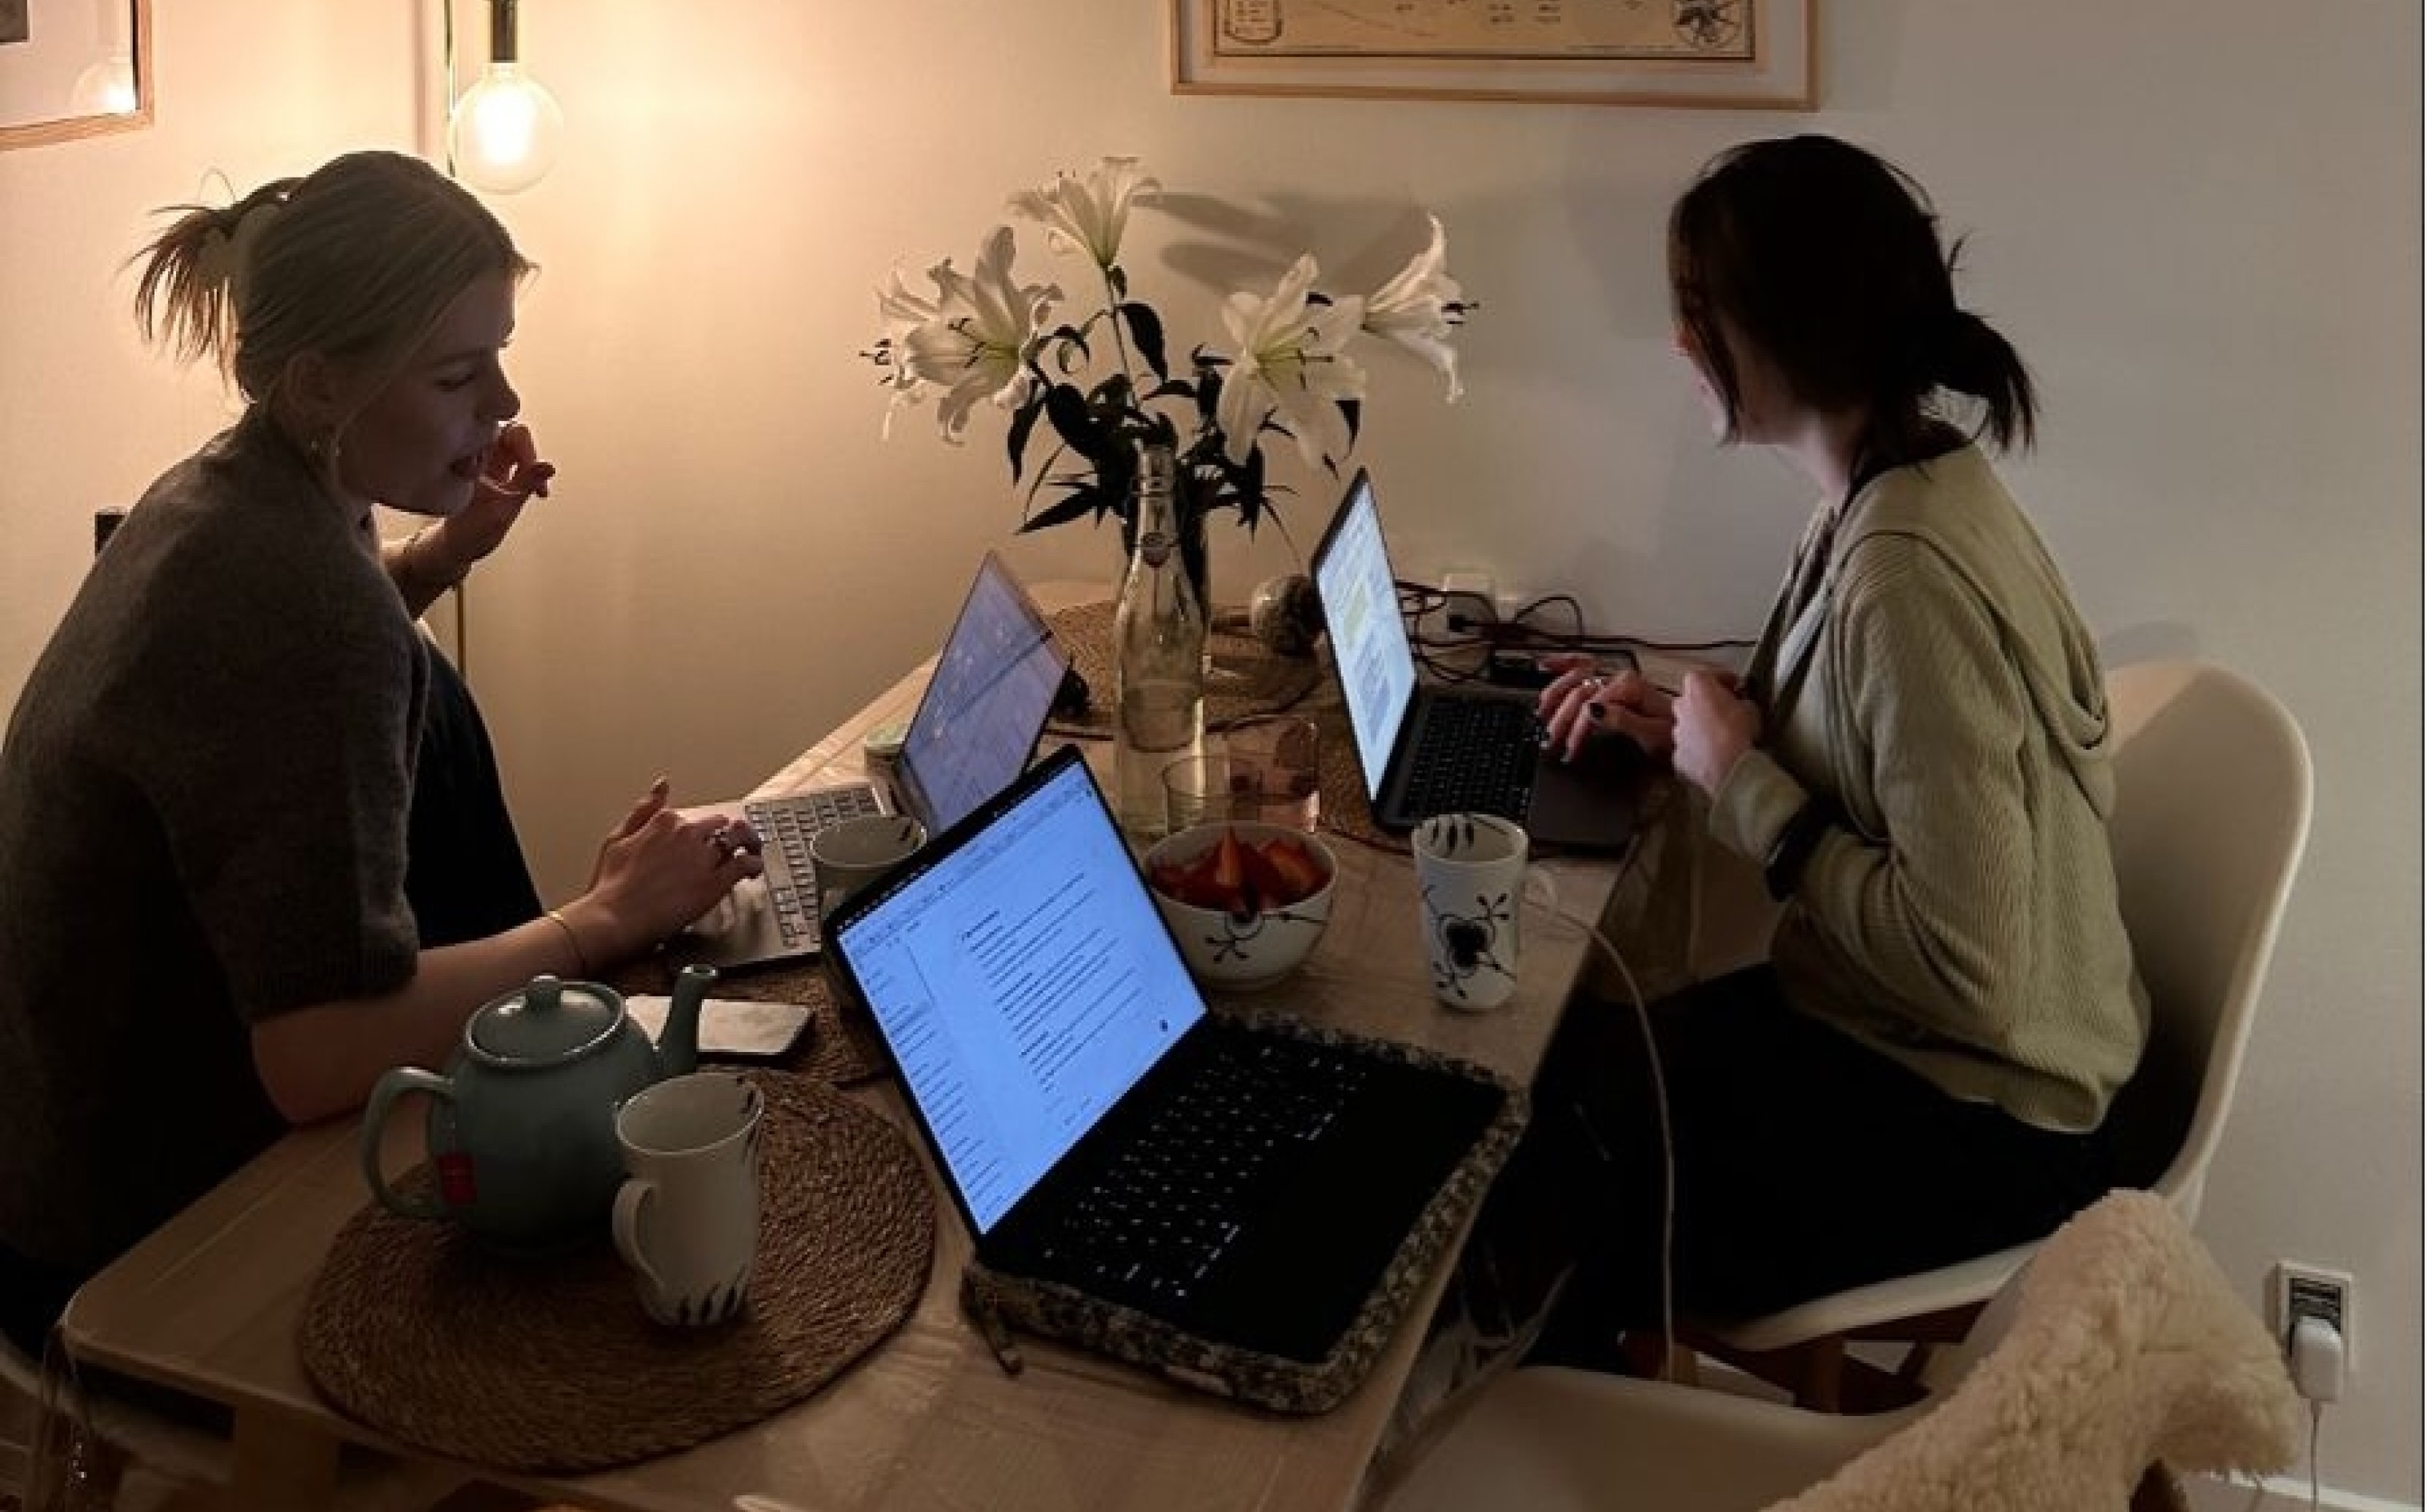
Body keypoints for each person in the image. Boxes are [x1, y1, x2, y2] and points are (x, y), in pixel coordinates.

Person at [0, 150, 763, 1356]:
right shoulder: (298, 600)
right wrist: (601, 917)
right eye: (460, 373)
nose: (504, 405)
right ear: (319, 384)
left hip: (55, 1155)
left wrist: (442, 556)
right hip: (146, 1230)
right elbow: (316, 1056)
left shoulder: (233, 487)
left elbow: (288, 696)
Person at [1481, 134, 2149, 1368]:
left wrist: (1742, 786)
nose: (1679, 345)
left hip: (1989, 1122)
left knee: (1538, 1150)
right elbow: (1870, 745)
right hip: (1933, 1056)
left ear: (1773, 333)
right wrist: (1683, 727)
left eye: (1695, 314)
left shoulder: (1899, 573)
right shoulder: (1903, 486)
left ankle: (1558, 1438)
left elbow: (1971, 964)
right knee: (1560, 1068)